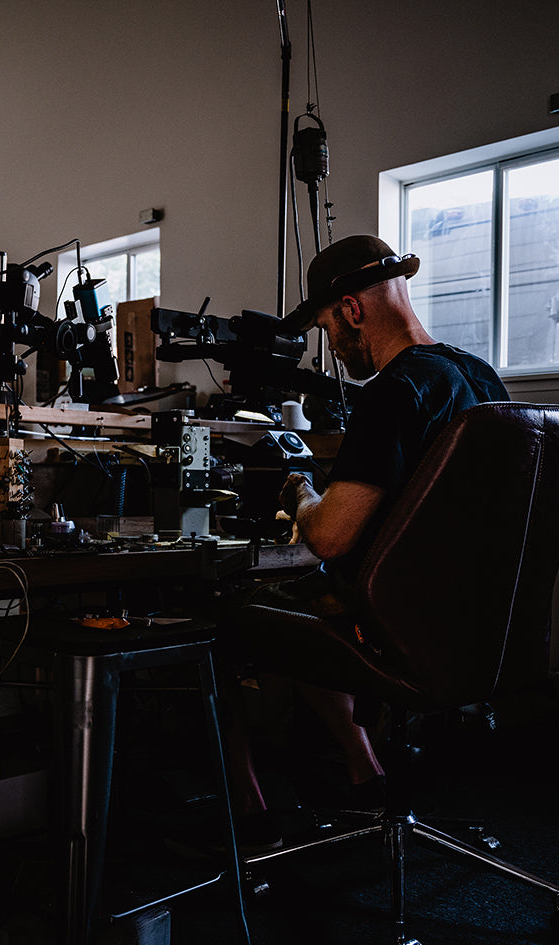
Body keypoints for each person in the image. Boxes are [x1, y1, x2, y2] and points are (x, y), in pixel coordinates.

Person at [223, 234, 509, 850]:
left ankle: (246, 811)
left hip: (396, 629)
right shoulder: (478, 378)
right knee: (313, 598)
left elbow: (327, 536)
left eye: (328, 326)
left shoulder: (392, 393)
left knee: (228, 617)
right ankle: (364, 770)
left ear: (353, 310)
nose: (331, 342)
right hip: (477, 623)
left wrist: (299, 489)